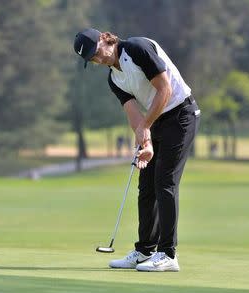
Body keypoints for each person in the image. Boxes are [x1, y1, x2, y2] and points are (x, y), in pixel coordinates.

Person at [74, 28, 200, 272]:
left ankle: (168, 254)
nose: (98, 59)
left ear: (104, 38)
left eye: (96, 52)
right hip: (159, 120)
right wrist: (146, 142)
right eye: (92, 59)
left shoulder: (137, 48)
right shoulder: (114, 79)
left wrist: (146, 126)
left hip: (181, 114)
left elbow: (165, 90)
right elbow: (133, 112)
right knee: (147, 186)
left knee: (165, 182)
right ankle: (144, 250)